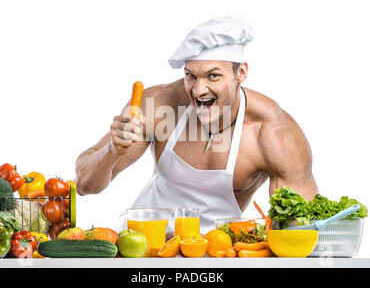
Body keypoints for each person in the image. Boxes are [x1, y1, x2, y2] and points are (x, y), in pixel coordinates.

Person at [75, 16, 318, 234]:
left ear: (241, 72)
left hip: (217, 256)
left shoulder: (274, 132)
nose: (199, 90)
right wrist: (112, 152)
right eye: (191, 75)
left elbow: (302, 229)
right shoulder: (158, 105)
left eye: (213, 76)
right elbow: (85, 185)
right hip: (140, 249)